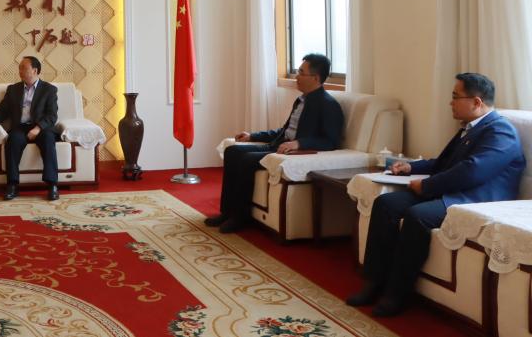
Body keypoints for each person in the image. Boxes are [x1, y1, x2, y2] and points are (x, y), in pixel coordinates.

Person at [347, 72, 525, 317]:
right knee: (386, 204)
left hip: (475, 199)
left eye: (455, 96)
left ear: (476, 102)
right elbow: (444, 163)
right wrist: (411, 168)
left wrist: (427, 186)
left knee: (417, 215)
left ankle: (396, 294)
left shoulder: (501, 131)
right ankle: (373, 282)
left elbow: (472, 171)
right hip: (452, 190)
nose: (450, 102)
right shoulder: (470, 128)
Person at [205, 53, 344, 233]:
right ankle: (227, 212)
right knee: (232, 151)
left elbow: (330, 141)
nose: (297, 77)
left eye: (301, 73)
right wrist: (253, 136)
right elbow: (283, 131)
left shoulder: (328, 105)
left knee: (247, 160)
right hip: (278, 145)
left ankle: (240, 217)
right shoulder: (301, 100)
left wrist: (299, 143)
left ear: (316, 78)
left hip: (290, 153)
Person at [0, 56, 60, 201]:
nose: (20, 71)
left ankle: (52, 185)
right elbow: (3, 109)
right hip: (20, 127)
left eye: (23, 68)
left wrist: (38, 128)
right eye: (19, 68)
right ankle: (12, 185)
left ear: (35, 70)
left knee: (49, 140)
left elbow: (52, 115)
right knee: (12, 141)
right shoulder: (13, 89)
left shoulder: (49, 90)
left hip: (41, 128)